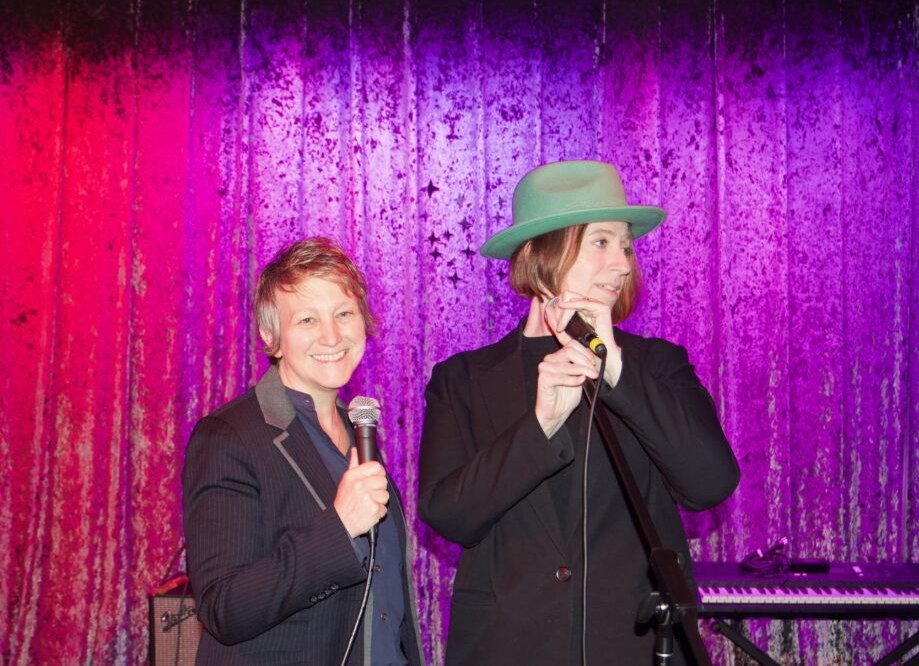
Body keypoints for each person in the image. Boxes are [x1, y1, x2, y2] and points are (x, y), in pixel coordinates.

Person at [418, 161, 740, 665]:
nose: (624, 264)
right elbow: (449, 515)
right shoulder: (462, 381)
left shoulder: (657, 366)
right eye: (601, 242)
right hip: (508, 648)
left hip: (633, 649)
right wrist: (539, 427)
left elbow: (710, 482)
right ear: (540, 252)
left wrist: (616, 372)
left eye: (627, 246)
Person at [183, 237, 423, 665]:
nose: (332, 335)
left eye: (344, 314)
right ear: (270, 336)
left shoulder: (360, 429)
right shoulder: (227, 437)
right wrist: (339, 528)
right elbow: (223, 607)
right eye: (308, 320)